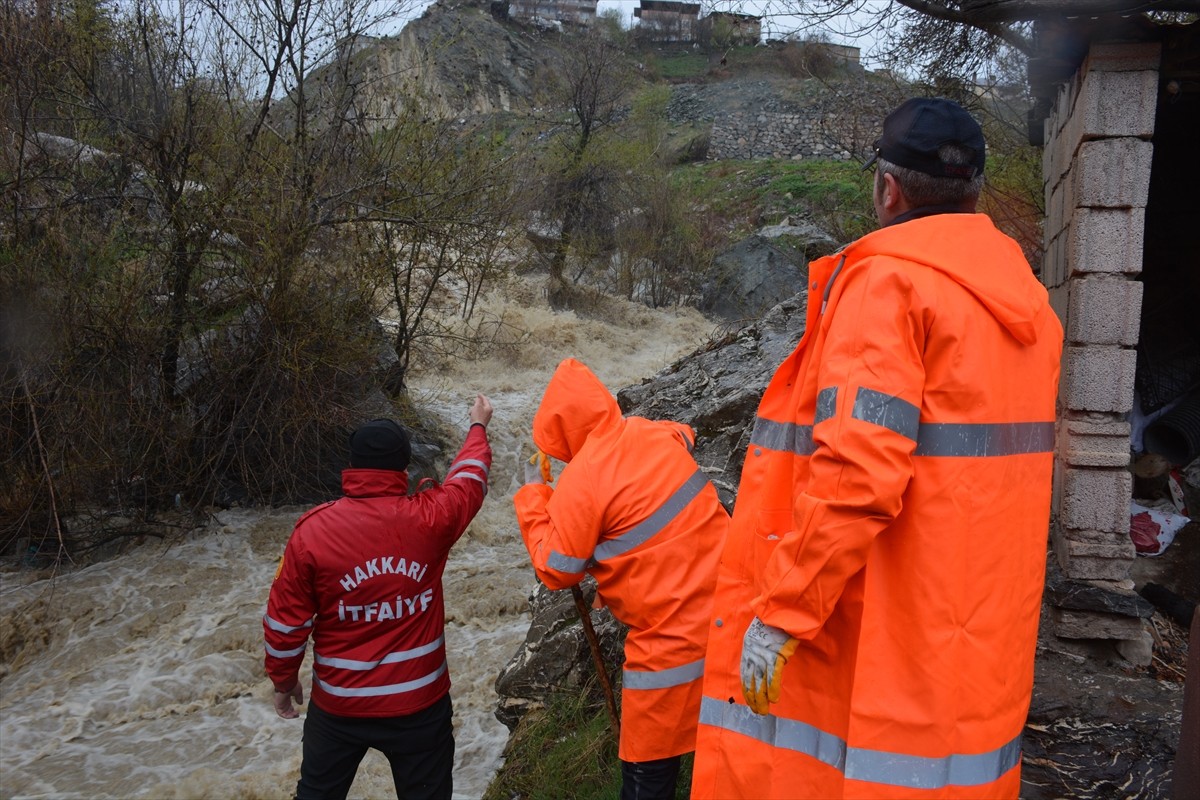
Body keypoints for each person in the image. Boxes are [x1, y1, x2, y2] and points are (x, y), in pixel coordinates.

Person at [691, 98, 1064, 799]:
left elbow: (857, 477)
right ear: (975, 191)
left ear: (887, 190)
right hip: (980, 643)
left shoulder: (887, 283)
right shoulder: (1032, 306)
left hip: (887, 636)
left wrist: (781, 612)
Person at [513, 358, 729, 799]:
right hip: (731, 609)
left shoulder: (584, 478)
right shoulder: (652, 431)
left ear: (562, 431)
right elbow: (683, 433)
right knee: (728, 745)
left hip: (671, 638)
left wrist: (534, 491)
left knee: (647, 767)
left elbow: (556, 567)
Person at [263, 396, 493, 800]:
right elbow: (469, 479)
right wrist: (477, 427)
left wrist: (283, 680)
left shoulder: (312, 531)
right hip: (420, 705)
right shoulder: (432, 517)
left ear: (350, 468)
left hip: (339, 706)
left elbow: (286, 623)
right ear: (404, 469)